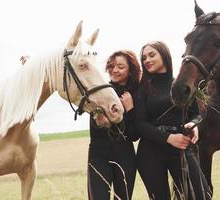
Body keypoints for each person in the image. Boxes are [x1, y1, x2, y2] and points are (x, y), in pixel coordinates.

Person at [135, 41, 212, 200]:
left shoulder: (181, 84)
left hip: (181, 148)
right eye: (144, 58)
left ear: (164, 55)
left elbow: (196, 115)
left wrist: (193, 124)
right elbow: (140, 125)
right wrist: (169, 138)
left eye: (151, 55)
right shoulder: (142, 88)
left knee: (202, 195)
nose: (147, 60)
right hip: (150, 152)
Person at [87, 50, 141, 200]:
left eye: (120, 67)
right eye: (112, 66)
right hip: (98, 156)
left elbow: (134, 135)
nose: (115, 70)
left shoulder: (136, 95)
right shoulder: (99, 91)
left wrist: (130, 109)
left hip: (125, 157)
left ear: (131, 71)